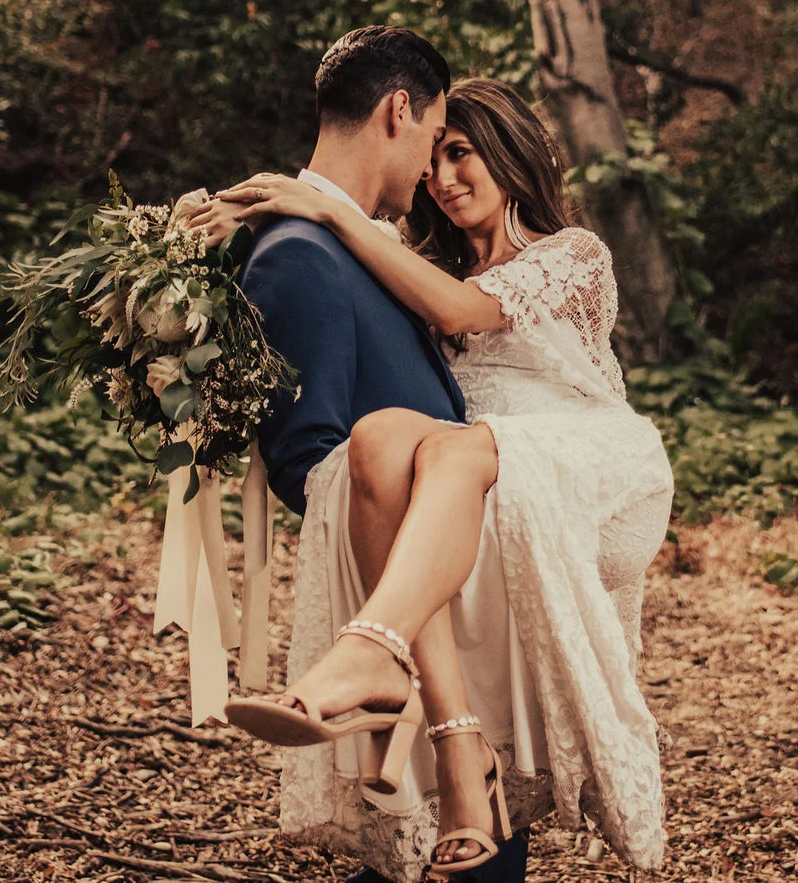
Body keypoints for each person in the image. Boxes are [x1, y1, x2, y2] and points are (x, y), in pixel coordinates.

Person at [187, 65, 671, 882]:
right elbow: (347, 263)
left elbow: (460, 310)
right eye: (435, 156)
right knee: (380, 438)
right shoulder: (414, 259)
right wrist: (241, 216)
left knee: (452, 445)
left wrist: (327, 209)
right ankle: (455, 738)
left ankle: (370, 650)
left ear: (509, 155)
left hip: (590, 461)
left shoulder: (571, 255)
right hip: (480, 474)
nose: (442, 178)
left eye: (462, 154)